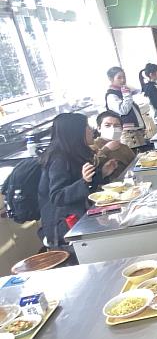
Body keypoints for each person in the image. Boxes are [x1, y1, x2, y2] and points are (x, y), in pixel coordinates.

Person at [38, 113, 117, 247]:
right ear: (75, 132)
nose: (91, 130)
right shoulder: (58, 159)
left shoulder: (75, 152)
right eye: (87, 127)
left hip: (82, 217)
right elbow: (57, 196)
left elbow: (82, 183)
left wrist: (102, 173)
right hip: (66, 226)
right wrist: (84, 181)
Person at [105, 66, 148, 149]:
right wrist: (127, 94)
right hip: (127, 133)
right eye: (119, 77)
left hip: (135, 130)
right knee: (136, 155)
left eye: (124, 77)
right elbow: (124, 110)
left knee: (144, 153)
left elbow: (139, 91)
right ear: (111, 79)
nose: (123, 80)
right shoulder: (111, 96)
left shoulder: (121, 91)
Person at [92, 111, 135, 180]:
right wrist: (105, 150)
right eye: (107, 125)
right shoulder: (93, 146)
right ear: (99, 128)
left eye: (116, 126)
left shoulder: (124, 147)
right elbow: (91, 168)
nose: (112, 128)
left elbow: (135, 165)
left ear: (121, 129)